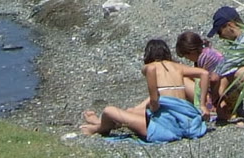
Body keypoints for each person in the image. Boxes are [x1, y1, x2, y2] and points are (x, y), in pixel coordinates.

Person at [77, 39, 210, 141]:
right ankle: (99, 123)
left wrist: (154, 102)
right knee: (132, 111)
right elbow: (204, 73)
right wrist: (202, 105)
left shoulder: (150, 67)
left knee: (109, 110)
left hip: (165, 127)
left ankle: (99, 128)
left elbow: (151, 73)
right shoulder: (177, 67)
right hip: (185, 121)